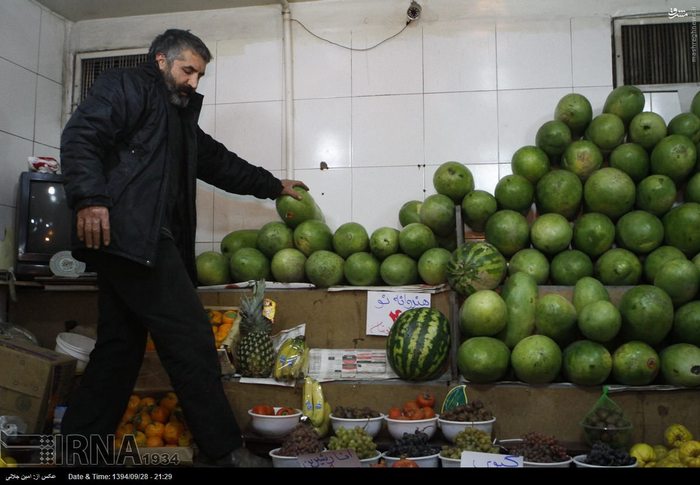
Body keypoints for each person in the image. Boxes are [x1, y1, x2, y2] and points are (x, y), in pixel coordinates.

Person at [59, 28, 306, 467]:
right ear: (160, 61)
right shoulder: (127, 86)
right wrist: (90, 198)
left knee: (119, 348)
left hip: (133, 242)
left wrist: (274, 186)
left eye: (200, 74)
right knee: (191, 339)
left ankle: (76, 451)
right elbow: (82, 135)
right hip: (132, 236)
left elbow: (219, 162)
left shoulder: (178, 119)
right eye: (187, 69)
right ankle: (224, 450)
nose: (194, 81)